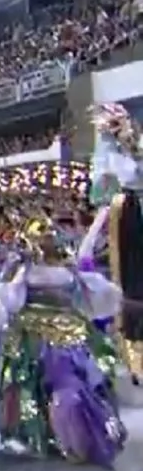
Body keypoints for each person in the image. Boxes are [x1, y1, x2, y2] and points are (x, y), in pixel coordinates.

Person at [0, 217, 126, 466]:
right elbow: (10, 297)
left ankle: (77, 436)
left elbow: (88, 288)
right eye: (42, 233)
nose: (49, 236)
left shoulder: (68, 263)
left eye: (51, 232)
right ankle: (31, 435)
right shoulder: (24, 266)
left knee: (81, 380)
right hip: (32, 335)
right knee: (28, 384)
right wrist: (9, 274)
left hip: (71, 332)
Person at [80, 103, 143, 385]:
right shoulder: (109, 166)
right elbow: (101, 191)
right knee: (130, 285)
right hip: (127, 221)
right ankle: (135, 354)